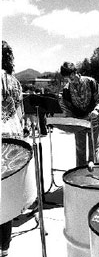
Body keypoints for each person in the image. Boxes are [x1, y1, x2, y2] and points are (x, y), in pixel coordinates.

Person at [1, 41, 24, 256]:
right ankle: (4, 248)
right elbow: (21, 115)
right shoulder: (15, 82)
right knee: (5, 195)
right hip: (14, 138)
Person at [59, 62, 99, 167]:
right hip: (79, 121)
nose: (70, 79)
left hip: (93, 119)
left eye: (71, 76)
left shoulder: (90, 82)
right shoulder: (66, 89)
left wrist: (97, 110)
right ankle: (80, 174)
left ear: (75, 72)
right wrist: (70, 118)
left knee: (93, 148)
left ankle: (95, 173)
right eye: (67, 78)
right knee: (80, 149)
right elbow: (67, 107)